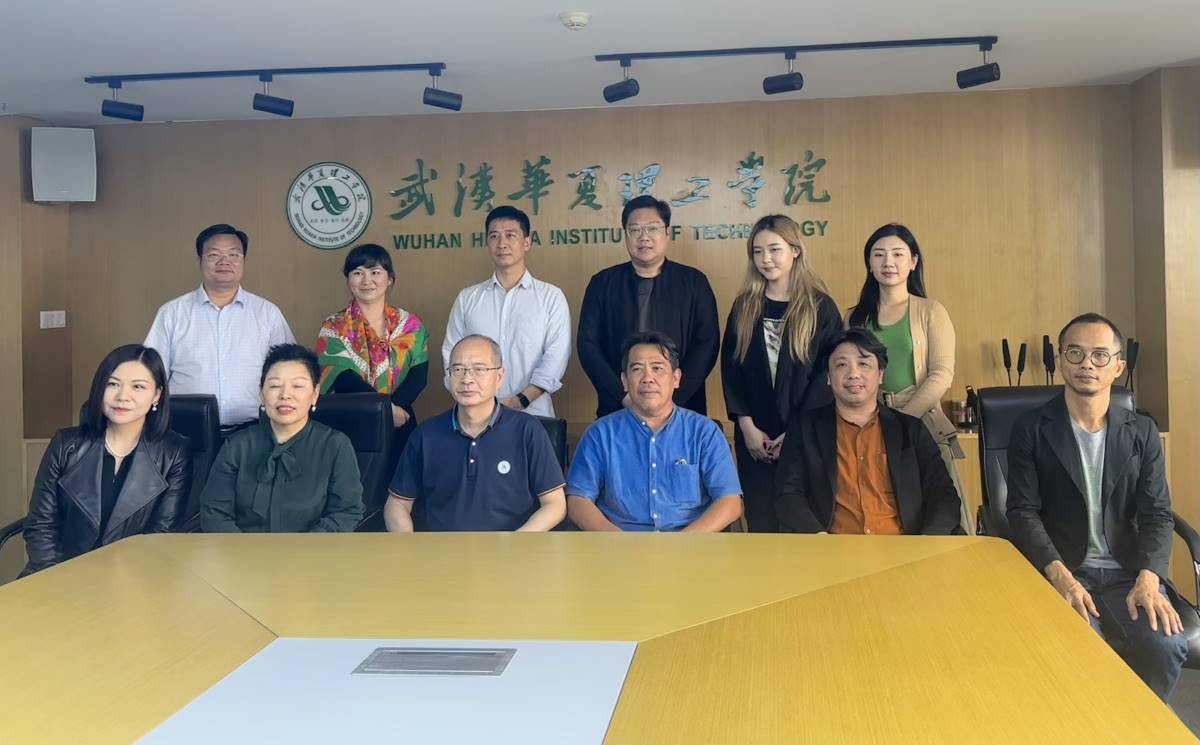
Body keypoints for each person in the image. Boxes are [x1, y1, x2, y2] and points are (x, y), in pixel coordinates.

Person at [1006, 313, 1187, 701]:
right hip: (1063, 568)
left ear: (1118, 366)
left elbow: (1157, 513)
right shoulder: (1031, 428)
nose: (1087, 364)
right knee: (1080, 649)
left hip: (1127, 573)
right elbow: (1022, 511)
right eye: (1075, 353)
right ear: (1060, 359)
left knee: (1166, 645)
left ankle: (1139, 725)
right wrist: (1060, 576)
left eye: (1100, 355)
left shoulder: (1142, 432)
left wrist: (1149, 578)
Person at [22, 345, 191, 575]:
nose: (123, 396)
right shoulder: (65, 444)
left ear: (157, 395)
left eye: (138, 386)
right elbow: (40, 524)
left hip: (132, 580)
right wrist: (58, 578)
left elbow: (160, 535)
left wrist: (111, 584)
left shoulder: (174, 454)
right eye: (112, 384)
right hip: (56, 574)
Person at [720, 215, 842, 532]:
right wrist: (746, 426)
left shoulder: (820, 307)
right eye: (757, 251)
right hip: (756, 440)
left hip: (806, 434)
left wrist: (796, 432)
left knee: (805, 524)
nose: (766, 259)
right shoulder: (744, 306)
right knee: (762, 522)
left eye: (774, 249)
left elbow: (827, 375)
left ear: (795, 251)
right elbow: (731, 371)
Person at [846, 224, 970, 533]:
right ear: (869, 263)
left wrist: (904, 421)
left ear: (913, 261)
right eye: (879, 255)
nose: (888, 262)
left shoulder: (931, 311)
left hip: (921, 419)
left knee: (936, 514)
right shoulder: (853, 317)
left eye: (898, 254)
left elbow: (941, 373)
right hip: (867, 421)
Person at [774, 329, 961, 535]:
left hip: (903, 546)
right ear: (828, 377)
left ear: (880, 374)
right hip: (832, 547)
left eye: (863, 364)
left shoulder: (911, 429)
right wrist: (818, 537)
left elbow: (943, 494)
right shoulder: (805, 429)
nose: (853, 374)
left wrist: (927, 541)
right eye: (841, 365)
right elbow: (788, 494)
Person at [385, 335, 566, 532]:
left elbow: (555, 504)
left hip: (511, 547)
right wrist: (408, 545)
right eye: (458, 369)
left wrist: (518, 541)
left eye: (479, 369)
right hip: (441, 549)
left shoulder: (527, 430)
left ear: (499, 377)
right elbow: (397, 504)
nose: (467, 379)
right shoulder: (425, 435)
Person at [567, 331, 742, 532]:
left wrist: (684, 543)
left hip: (690, 543)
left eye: (657, 368)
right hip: (619, 544)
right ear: (624, 381)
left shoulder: (704, 432)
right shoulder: (600, 434)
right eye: (637, 369)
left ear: (676, 378)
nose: (648, 378)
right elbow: (578, 499)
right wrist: (616, 541)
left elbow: (729, 501)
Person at [577, 195, 719, 417]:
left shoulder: (694, 282)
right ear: (625, 235)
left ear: (667, 233)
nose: (644, 237)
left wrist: (671, 398)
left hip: (682, 407)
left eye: (652, 228)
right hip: (619, 407)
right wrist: (622, 395)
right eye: (635, 230)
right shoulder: (602, 284)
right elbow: (588, 345)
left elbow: (707, 344)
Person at [145, 223, 295, 432]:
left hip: (254, 431)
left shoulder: (267, 313)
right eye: (214, 255)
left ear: (244, 261)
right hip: (185, 430)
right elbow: (150, 373)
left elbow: (290, 370)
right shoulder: (172, 313)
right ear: (200, 260)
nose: (224, 261)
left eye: (234, 254)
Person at [200, 344, 363, 533]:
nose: (285, 395)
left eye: (298, 386)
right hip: (243, 550)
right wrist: (244, 548)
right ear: (261, 393)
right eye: (275, 386)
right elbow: (214, 512)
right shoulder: (237, 446)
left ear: (315, 394)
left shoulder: (335, 446)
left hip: (313, 550)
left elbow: (346, 511)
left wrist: (306, 547)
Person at [443, 205, 570, 418]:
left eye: (510, 235)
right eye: (494, 236)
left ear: (527, 242)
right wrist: (476, 400)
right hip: (476, 416)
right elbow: (450, 354)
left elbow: (556, 356)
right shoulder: (467, 298)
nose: (502, 244)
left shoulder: (551, 297)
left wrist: (520, 400)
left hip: (534, 413)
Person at [316, 242, 429, 462]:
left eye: (375, 272)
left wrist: (394, 412)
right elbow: (341, 377)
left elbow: (419, 376)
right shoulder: (334, 326)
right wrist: (385, 410)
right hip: (353, 422)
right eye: (358, 273)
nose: (367, 281)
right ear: (348, 280)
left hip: (401, 421)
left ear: (389, 279)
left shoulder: (411, 325)